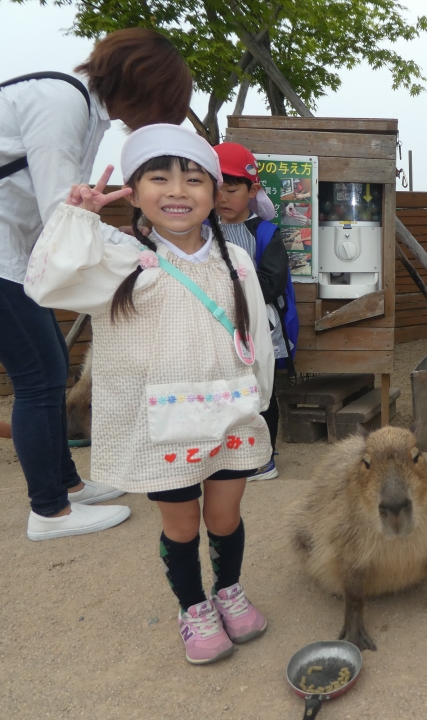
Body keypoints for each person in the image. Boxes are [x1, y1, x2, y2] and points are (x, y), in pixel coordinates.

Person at [25, 124, 274, 664]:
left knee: (225, 516)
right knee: (181, 525)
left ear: (215, 193)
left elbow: (253, 335)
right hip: (164, 426)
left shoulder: (236, 261)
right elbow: (44, 285)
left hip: (230, 414)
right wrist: (77, 218)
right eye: (159, 178)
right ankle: (194, 607)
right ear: (135, 194)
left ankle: (228, 589)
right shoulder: (117, 258)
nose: (178, 191)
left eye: (194, 179)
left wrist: (261, 399)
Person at [0, 28, 192, 541]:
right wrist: (140, 254)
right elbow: (62, 216)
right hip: (2, 255)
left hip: (16, 254)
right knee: (38, 377)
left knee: (52, 368)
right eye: (163, 108)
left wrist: (119, 238)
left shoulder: (85, 112)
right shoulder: (59, 102)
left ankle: (68, 485)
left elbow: (71, 213)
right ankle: (49, 512)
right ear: (142, 86)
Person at [213, 141, 299, 481]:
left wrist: (224, 284)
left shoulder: (265, 232)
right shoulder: (202, 231)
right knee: (223, 391)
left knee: (260, 390)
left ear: (252, 190)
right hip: (216, 328)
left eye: (231, 189)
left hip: (257, 328)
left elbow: (270, 284)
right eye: (216, 188)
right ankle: (227, 452)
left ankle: (263, 458)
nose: (222, 197)